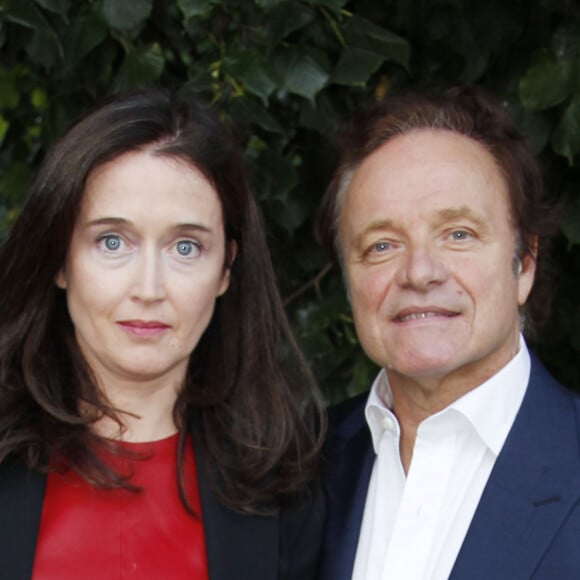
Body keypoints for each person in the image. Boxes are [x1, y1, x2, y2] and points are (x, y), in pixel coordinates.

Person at [0, 88, 324, 580]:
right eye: (112, 241)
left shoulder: (289, 487)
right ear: (60, 260)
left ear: (226, 270)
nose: (149, 288)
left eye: (186, 247)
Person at [316, 86, 580, 580]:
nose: (420, 272)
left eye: (459, 234)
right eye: (381, 245)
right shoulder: (300, 467)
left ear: (523, 265)